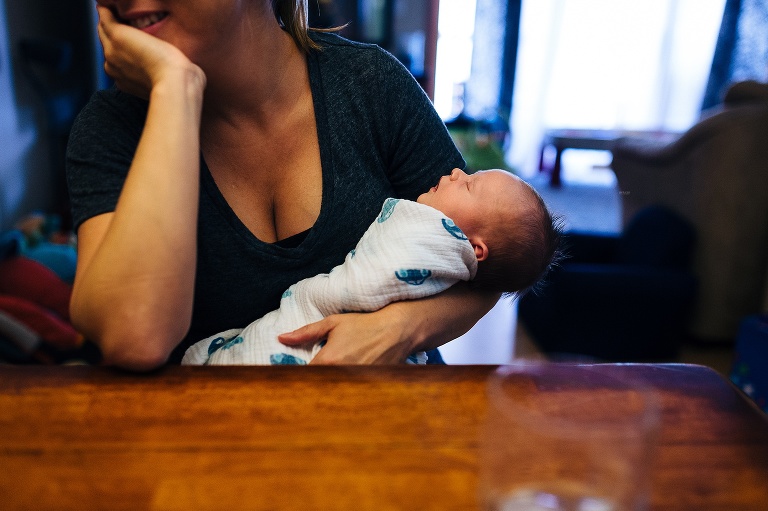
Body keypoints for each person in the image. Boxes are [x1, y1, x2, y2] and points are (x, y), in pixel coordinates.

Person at [66, 0, 505, 371]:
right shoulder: (110, 128)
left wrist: (396, 331)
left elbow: (492, 259)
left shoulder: (372, 85)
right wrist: (174, 89)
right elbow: (136, 337)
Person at [181, 168, 562, 366]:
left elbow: (362, 287)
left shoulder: (437, 240)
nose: (455, 173)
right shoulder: (445, 231)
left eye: (469, 186)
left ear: (476, 250)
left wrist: (393, 328)